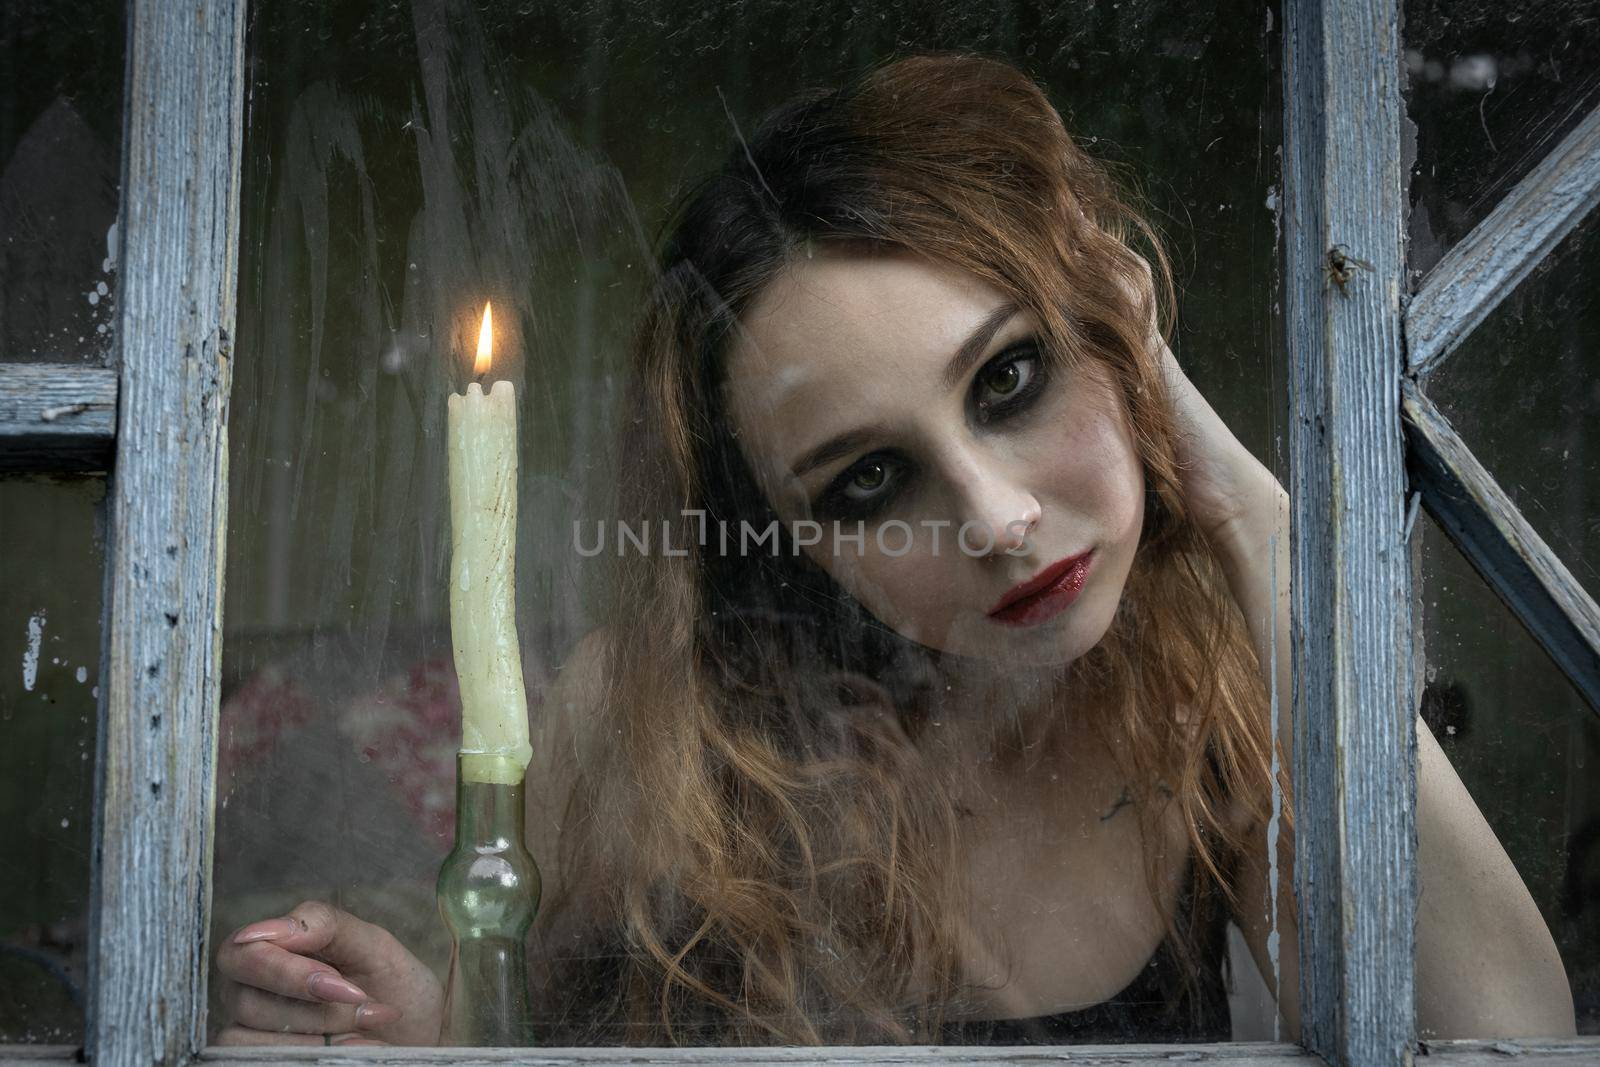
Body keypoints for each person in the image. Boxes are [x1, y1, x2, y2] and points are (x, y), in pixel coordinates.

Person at [213, 52, 1574, 1047]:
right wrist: (424, 1029)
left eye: (1013, 380)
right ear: (789, 544)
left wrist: (1258, 525)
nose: (992, 519)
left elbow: (1504, 1033)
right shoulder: (650, 725)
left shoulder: (1209, 707)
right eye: (870, 482)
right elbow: (517, 1036)